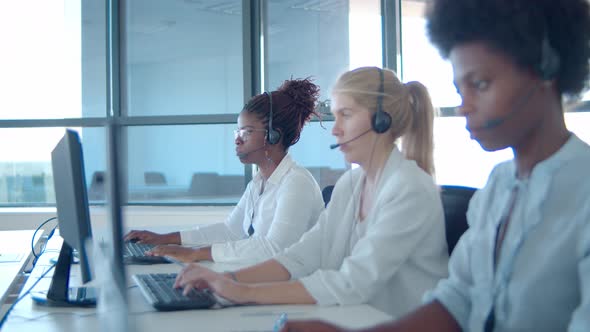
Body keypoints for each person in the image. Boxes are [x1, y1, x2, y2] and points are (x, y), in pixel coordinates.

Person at [278, 0, 590, 331]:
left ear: (547, 69)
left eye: (481, 84)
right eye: (459, 89)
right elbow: (456, 302)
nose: (463, 108)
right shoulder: (499, 187)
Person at [173, 66, 449, 318]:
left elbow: (352, 283)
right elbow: (303, 255)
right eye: (335, 116)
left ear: (381, 120)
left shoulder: (409, 188)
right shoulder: (351, 184)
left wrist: (242, 293)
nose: (335, 130)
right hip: (355, 318)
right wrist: (230, 280)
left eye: (346, 115)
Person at [124, 78, 325, 265]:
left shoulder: (297, 183)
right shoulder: (259, 182)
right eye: (237, 131)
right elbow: (231, 230)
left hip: (297, 290)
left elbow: (275, 248)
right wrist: (164, 239)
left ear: (273, 136)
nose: (237, 139)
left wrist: (195, 254)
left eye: (246, 132)